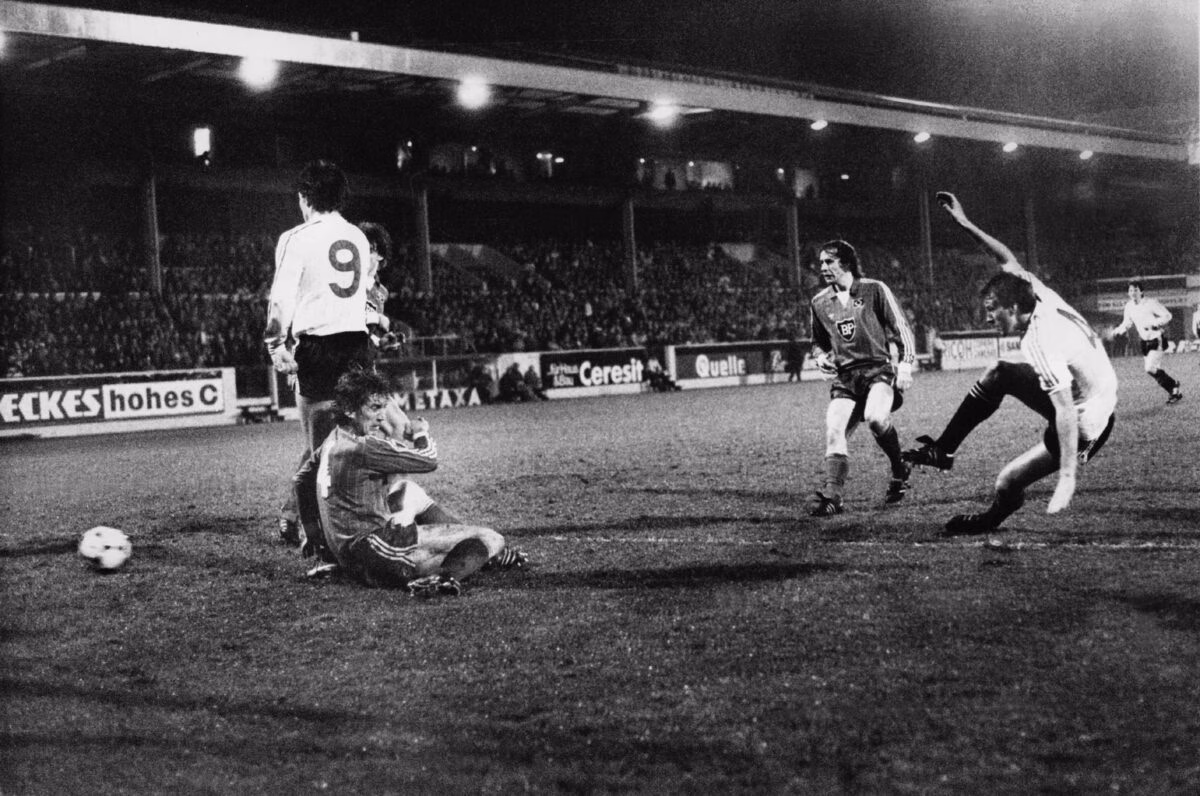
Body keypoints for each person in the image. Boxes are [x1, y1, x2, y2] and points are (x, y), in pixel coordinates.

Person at [915, 192, 1118, 535]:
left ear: (1011, 308)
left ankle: (986, 511)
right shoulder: (1037, 294)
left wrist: (1067, 476)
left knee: (1006, 483)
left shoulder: (1040, 339)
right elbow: (1005, 257)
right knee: (1001, 371)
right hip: (1101, 399)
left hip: (1084, 423)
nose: (988, 315)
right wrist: (965, 224)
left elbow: (1064, 410)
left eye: (992, 308)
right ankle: (943, 451)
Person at [294, 369, 527, 596]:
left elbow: (301, 479)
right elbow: (428, 460)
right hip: (374, 550)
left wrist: (313, 531)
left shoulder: (334, 438)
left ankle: (476, 554)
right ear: (349, 409)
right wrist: (420, 433)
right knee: (490, 538)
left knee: (408, 490)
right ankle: (444, 578)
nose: (382, 417)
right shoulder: (364, 448)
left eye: (383, 408)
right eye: (374, 408)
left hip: (346, 550)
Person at [266, 160, 374, 549]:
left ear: (304, 197)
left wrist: (276, 346)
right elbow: (367, 295)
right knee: (349, 442)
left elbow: (281, 297)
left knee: (318, 452)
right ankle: (304, 518)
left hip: (319, 348)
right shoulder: (359, 238)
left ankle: (317, 538)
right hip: (358, 347)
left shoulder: (296, 237)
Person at [807, 239, 916, 516]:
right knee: (834, 432)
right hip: (845, 379)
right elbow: (817, 343)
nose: (823, 267)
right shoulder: (819, 302)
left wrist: (905, 366)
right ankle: (833, 496)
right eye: (821, 262)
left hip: (877, 372)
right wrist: (820, 358)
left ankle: (898, 467)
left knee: (877, 419)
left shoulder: (874, 289)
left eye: (828, 261)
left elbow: (901, 328)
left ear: (845, 262)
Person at [1110, 280, 1182, 404]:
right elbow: (1127, 323)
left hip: (1156, 339)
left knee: (1150, 368)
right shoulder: (1129, 306)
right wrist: (1117, 331)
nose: (1133, 293)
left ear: (1141, 291)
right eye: (1131, 290)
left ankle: (1173, 386)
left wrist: (1155, 323)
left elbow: (1167, 315)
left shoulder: (1151, 303)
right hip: (1144, 341)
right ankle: (1173, 389)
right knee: (1153, 369)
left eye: (1136, 290)